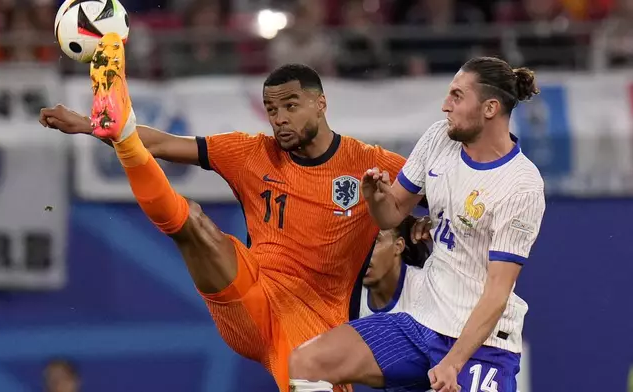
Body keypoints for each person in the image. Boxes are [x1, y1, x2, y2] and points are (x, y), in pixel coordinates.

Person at [38, 32, 424, 392]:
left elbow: (442, 189)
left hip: (314, 329)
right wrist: (91, 126)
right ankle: (121, 136)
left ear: (320, 104)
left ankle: (121, 135)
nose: (280, 119)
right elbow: (165, 143)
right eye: (272, 109)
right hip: (252, 295)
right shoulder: (250, 153)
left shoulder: (370, 161)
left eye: (291, 106)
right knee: (193, 223)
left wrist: (425, 223)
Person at [287, 56, 546, 392]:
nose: (444, 106)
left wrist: (453, 362)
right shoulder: (439, 138)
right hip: (421, 322)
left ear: (490, 108)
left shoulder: (521, 185)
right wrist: (376, 197)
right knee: (305, 364)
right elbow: (392, 214)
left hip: (482, 346)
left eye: (456, 96)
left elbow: (497, 292)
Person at [359, 215, 431, 320]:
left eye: (374, 241)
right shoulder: (350, 293)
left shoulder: (425, 289)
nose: (362, 252)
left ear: (398, 246)